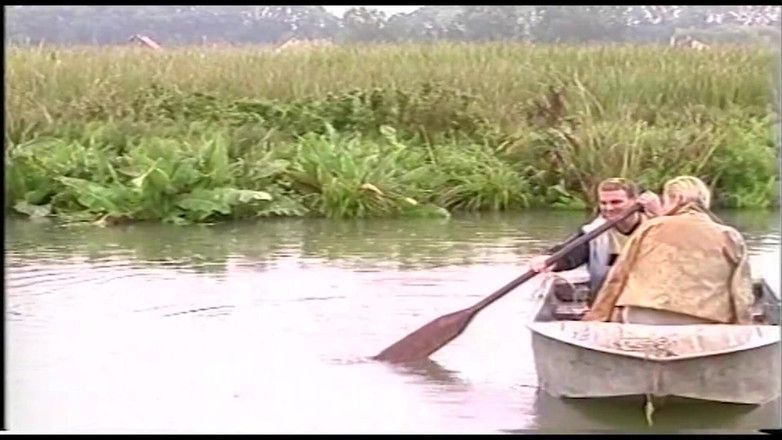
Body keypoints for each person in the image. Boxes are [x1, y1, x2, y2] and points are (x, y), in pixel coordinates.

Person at [582, 175, 754, 325]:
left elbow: (618, 277)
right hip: (706, 319)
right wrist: (745, 326)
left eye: (664, 200)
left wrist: (597, 317)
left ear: (676, 199)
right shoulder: (729, 235)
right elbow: (741, 291)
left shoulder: (650, 228)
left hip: (643, 315)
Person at [528, 178, 662, 304]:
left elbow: (678, 254)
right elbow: (571, 253)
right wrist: (549, 260)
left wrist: (660, 217)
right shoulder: (593, 232)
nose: (609, 208)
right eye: (603, 203)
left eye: (616, 202)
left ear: (635, 201)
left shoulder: (658, 225)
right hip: (605, 304)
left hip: (651, 302)